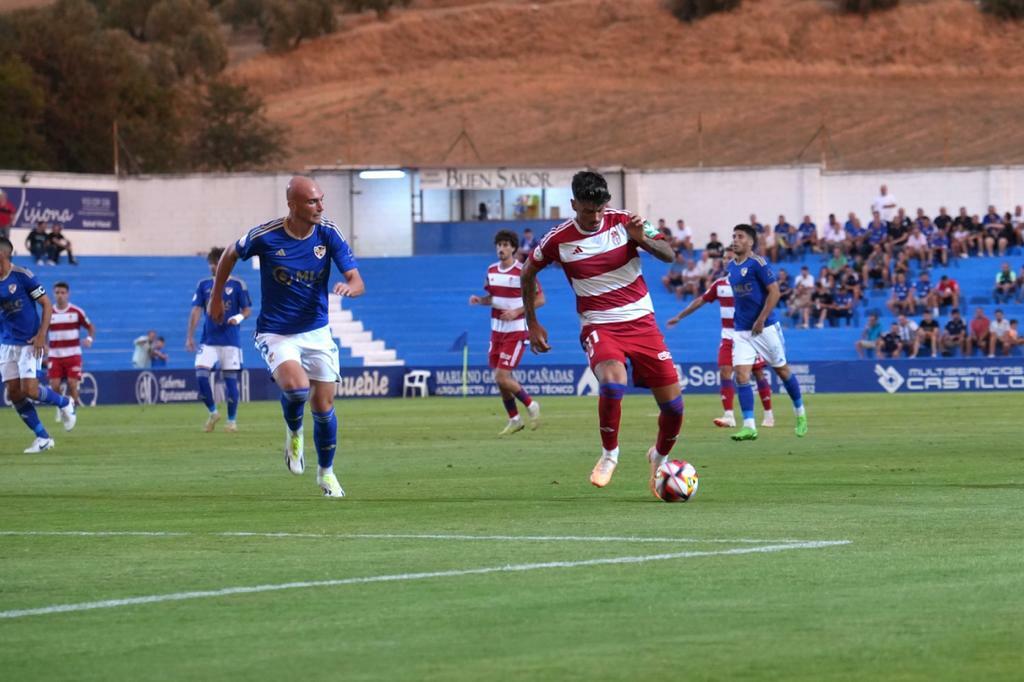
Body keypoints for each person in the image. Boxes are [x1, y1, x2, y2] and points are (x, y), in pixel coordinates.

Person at [520, 170, 683, 494]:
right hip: (599, 323)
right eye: (586, 210)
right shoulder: (557, 239)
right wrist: (532, 321)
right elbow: (527, 273)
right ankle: (610, 454)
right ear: (573, 204)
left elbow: (669, 256)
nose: (594, 217)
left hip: (642, 323)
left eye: (599, 209)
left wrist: (642, 238)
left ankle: (658, 457)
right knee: (612, 379)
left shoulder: (626, 221)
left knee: (674, 409)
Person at [210, 176, 364, 499]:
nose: (320, 207)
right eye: (312, 202)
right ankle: (294, 433)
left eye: (321, 200)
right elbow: (229, 253)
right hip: (277, 333)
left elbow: (356, 279)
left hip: (317, 331)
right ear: (292, 205)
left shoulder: (328, 233)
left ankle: (327, 474)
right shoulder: (266, 236)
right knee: (297, 389)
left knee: (324, 406)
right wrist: (215, 296)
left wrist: (351, 287)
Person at [666, 250, 774, 430]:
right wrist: (679, 316)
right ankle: (729, 416)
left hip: (748, 336)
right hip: (728, 336)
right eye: (724, 258)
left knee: (757, 373)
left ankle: (769, 414)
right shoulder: (720, 285)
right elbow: (700, 301)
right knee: (725, 371)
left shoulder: (751, 282)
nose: (725, 261)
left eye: (729, 258)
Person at [725, 224, 807, 441]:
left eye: (740, 236)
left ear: (750, 242)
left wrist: (761, 319)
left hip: (766, 328)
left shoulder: (758, 264)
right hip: (742, 331)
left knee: (781, 371)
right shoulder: (731, 268)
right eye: (734, 236)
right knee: (741, 374)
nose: (735, 239)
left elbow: (775, 292)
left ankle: (800, 414)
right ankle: (750, 426)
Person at [0, 237, 77, 453]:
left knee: (30, 390)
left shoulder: (22, 276)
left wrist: (42, 335)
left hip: (29, 342)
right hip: (6, 343)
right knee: (14, 393)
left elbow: (46, 303)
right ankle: (43, 437)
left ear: (3, 255)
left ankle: (64, 402)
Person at [468, 230, 544, 435]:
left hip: (516, 330)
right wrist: (480, 300)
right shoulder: (491, 270)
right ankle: (515, 419)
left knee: (502, 377)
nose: (501, 249)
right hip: (496, 332)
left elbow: (540, 299)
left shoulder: (522, 270)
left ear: (513, 248)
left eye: (505, 245)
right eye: (498, 245)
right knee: (500, 379)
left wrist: (518, 311)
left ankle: (531, 405)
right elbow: (493, 298)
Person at [186, 247, 253, 433]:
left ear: (224, 264)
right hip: (208, 340)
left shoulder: (238, 285)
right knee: (201, 376)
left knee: (230, 383)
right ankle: (213, 412)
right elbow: (196, 311)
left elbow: (247, 310)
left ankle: (232, 421)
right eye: (210, 263)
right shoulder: (204, 285)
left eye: (214, 263)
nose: (211, 267)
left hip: (230, 341)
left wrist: (237, 318)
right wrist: (190, 336)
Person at [46, 281, 95, 416]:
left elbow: (90, 327)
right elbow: (42, 331)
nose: (60, 296)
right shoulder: (49, 312)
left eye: (63, 293)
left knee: (72, 384)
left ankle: (73, 412)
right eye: (57, 293)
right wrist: (43, 345)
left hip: (73, 354)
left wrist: (89, 339)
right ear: (53, 294)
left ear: (68, 294)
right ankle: (62, 407)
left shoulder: (76, 312)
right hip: (55, 355)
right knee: (54, 385)